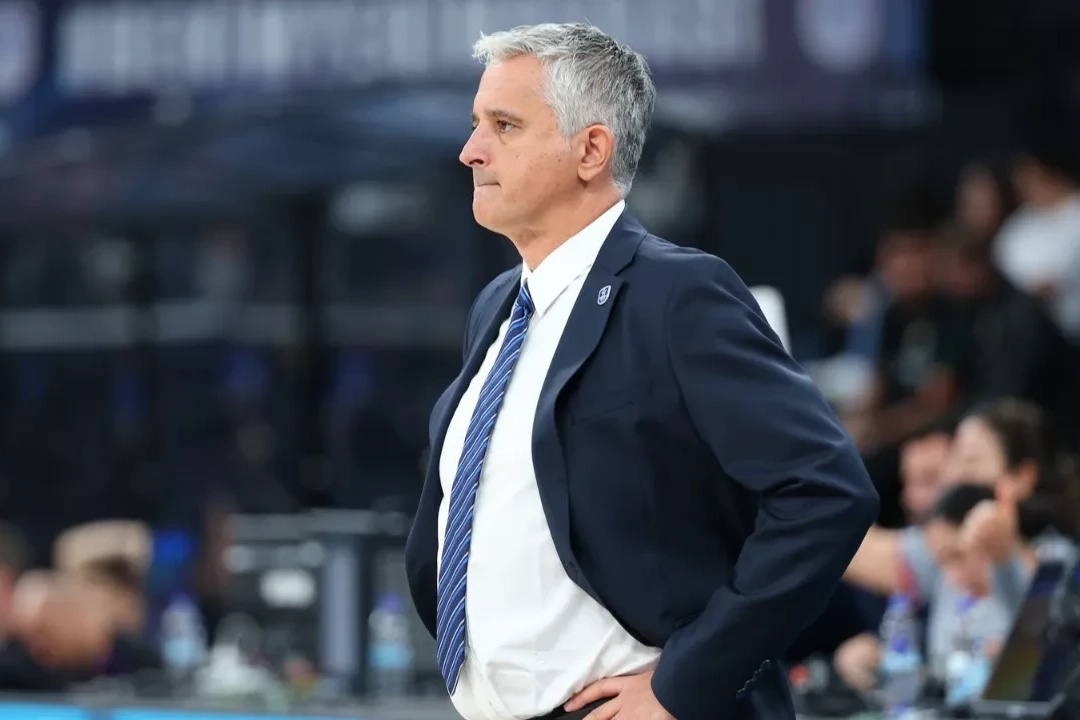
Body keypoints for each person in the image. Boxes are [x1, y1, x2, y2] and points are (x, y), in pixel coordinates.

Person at [404, 22, 879, 720]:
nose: (471, 150)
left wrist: (686, 681)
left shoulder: (678, 294)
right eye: (476, 124)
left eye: (504, 126)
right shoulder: (496, 306)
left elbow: (827, 491)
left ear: (591, 150)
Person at [835, 482, 1029, 691]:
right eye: (942, 562)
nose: (951, 577)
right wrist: (877, 653)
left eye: (957, 556)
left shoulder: (1019, 585)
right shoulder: (943, 585)